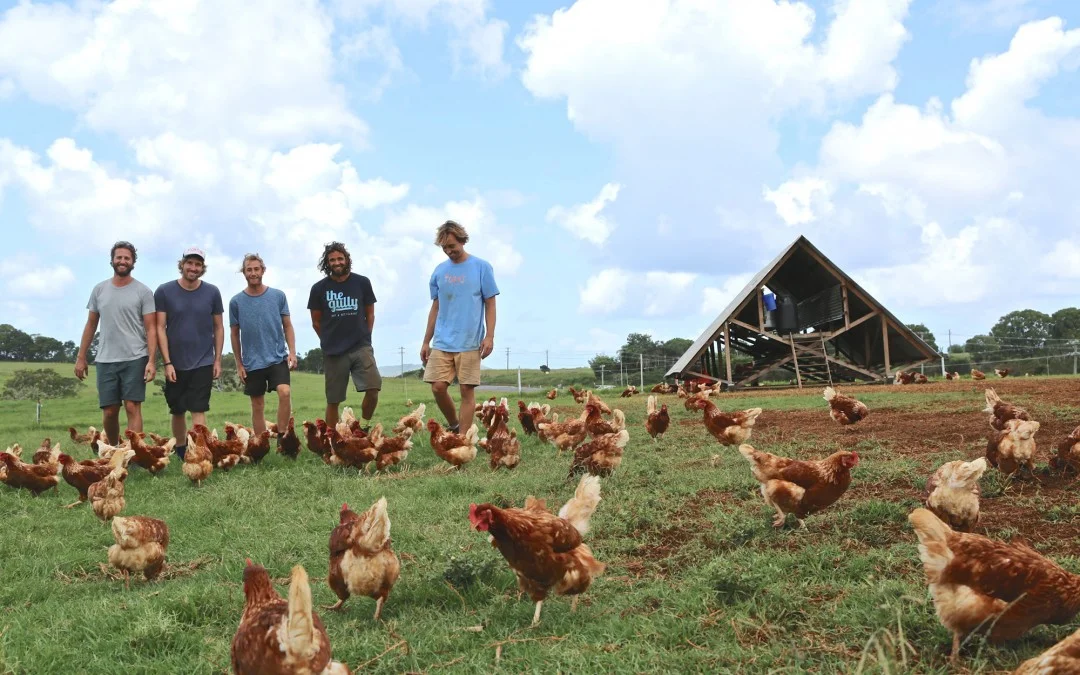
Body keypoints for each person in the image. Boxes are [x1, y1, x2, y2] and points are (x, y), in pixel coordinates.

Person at [74, 241, 158, 445]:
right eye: (119, 257)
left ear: (133, 262)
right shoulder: (99, 290)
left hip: (135, 357)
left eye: (127, 258)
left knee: (132, 406)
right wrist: (81, 357)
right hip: (105, 359)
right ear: (112, 260)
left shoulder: (143, 292)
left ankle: (135, 452)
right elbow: (91, 324)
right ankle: (113, 450)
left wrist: (151, 361)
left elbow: (151, 329)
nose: (122, 261)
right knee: (110, 411)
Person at [420, 220, 498, 433]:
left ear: (462, 241)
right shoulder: (439, 271)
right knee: (437, 387)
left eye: (452, 246)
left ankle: (462, 438)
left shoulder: (481, 267)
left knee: (466, 391)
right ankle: (455, 424)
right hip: (443, 340)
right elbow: (436, 307)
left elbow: (490, 303)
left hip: (470, 340)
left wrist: (489, 336)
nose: (448, 251)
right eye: (444, 247)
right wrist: (426, 341)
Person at [155, 247, 224, 459]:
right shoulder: (164, 291)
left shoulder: (212, 292)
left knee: (198, 409)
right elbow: (160, 327)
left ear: (203, 268)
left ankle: (200, 451)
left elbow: (218, 327)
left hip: (203, 360)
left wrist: (218, 359)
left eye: (198, 264)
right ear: (182, 264)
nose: (193, 268)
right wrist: (167, 362)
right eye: (190, 263)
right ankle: (181, 450)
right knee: (177, 410)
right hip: (175, 362)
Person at [307, 242, 381, 431]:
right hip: (334, 351)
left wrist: (366, 337)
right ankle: (332, 438)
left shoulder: (362, 282)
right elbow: (316, 321)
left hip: (360, 346)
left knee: (373, 388)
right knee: (333, 399)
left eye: (340, 258)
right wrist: (327, 340)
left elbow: (370, 313)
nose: (337, 262)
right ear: (327, 263)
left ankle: (363, 426)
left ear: (347, 260)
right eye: (332, 260)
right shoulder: (318, 289)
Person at [229, 253, 297, 438]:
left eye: (256, 269)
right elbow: (234, 334)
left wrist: (292, 352)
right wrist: (239, 363)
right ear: (244, 272)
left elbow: (287, 325)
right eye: (249, 270)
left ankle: (283, 437)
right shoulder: (236, 302)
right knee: (257, 404)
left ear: (263, 270)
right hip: (252, 361)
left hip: (277, 356)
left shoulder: (278, 296)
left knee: (284, 392)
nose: (253, 273)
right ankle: (261, 443)